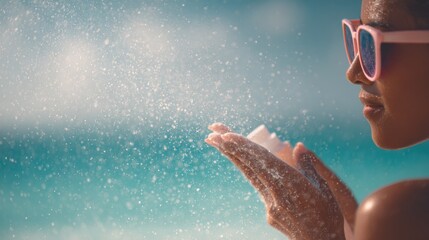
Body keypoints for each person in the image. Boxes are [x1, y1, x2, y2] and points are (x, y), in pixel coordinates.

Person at [205, 0, 429, 239]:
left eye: (373, 44)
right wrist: (353, 230)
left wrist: (319, 235)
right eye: (357, 40)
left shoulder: (401, 216)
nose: (353, 73)